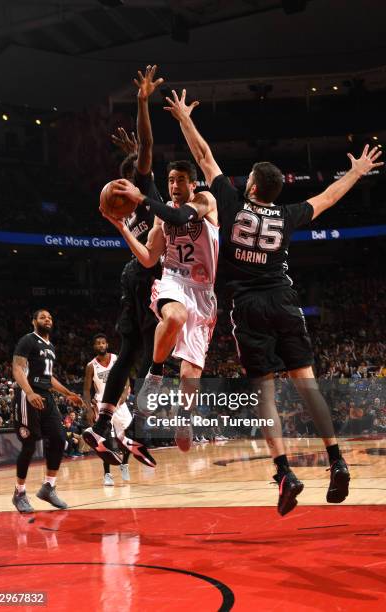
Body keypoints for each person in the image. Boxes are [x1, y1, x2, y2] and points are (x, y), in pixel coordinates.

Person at [162, 88, 383, 515]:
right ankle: (335, 457)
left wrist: (184, 118)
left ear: (252, 185)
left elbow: (204, 155)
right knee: (307, 382)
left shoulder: (229, 201)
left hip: (248, 305)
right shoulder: (287, 215)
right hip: (284, 298)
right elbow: (329, 198)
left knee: (264, 392)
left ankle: (284, 471)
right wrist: (357, 171)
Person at [106, 158, 218, 453]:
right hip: (173, 281)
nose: (174, 185)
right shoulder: (160, 216)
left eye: (180, 180)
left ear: (193, 185)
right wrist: (122, 228)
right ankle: (155, 373)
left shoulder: (207, 201)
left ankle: (185, 416)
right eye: (170, 180)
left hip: (203, 293)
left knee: (190, 374)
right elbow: (148, 258)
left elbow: (180, 218)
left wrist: (143, 197)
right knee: (174, 316)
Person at [83, 65, 163, 468]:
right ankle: (135, 432)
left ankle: (101, 425)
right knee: (158, 357)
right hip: (150, 277)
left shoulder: (122, 197)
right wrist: (142, 102)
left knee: (127, 353)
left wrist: (129, 150)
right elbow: (146, 148)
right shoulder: (143, 190)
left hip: (131, 274)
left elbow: (139, 154)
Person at [12, 309, 83, 513]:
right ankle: (19, 493)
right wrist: (29, 392)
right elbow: (17, 368)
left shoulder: (50, 346)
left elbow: (49, 377)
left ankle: (48, 487)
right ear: (34, 321)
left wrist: (68, 393)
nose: (47, 320)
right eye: (43, 317)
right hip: (28, 395)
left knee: (60, 438)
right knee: (29, 445)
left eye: (50, 317)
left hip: (46, 396)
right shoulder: (28, 340)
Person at [83, 333, 132, 485]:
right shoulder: (91, 366)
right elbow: (86, 390)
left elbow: (126, 378)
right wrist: (89, 410)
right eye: (98, 343)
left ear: (107, 345)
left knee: (129, 437)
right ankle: (107, 474)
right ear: (94, 347)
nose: (101, 345)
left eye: (103, 343)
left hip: (119, 404)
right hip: (102, 405)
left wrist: (125, 392)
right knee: (105, 440)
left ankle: (124, 464)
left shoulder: (116, 359)